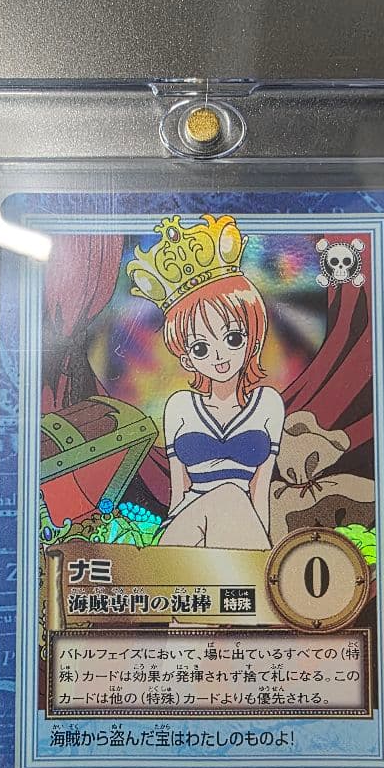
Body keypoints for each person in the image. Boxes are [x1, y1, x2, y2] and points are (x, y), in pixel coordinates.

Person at [127, 215, 284, 549]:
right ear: (187, 358)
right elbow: (179, 490)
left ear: (253, 338)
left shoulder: (268, 404)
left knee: (232, 499)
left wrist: (263, 552)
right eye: (200, 348)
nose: (220, 356)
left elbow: (260, 490)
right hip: (185, 531)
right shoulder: (180, 407)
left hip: (240, 532)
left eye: (232, 338)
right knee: (227, 495)